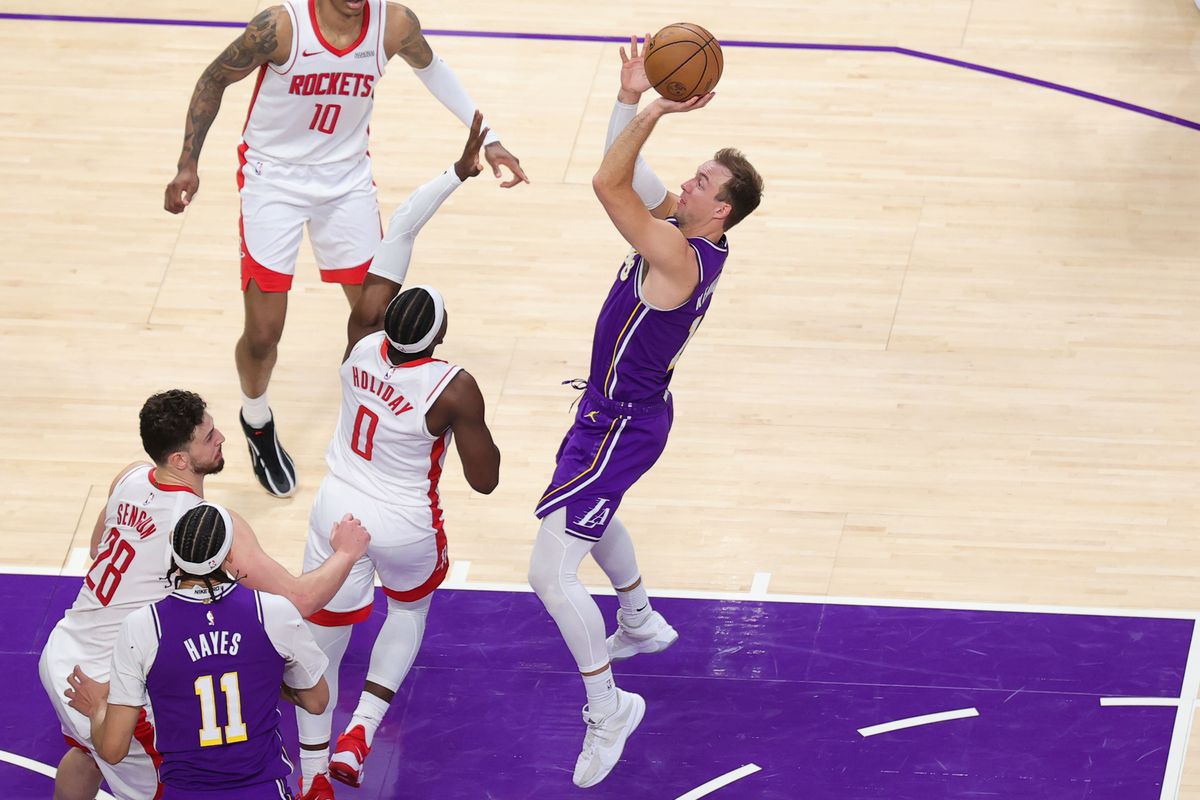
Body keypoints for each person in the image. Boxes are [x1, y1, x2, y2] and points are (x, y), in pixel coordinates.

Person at [163, 0, 527, 499]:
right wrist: (188, 163)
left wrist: (492, 140)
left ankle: (363, 421)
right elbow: (212, 80)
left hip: (346, 181)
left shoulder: (393, 23)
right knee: (264, 334)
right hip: (274, 181)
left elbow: (433, 69)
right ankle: (257, 420)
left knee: (374, 315)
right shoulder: (281, 26)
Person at [527, 35, 764, 788]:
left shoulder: (678, 254)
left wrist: (653, 106)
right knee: (589, 512)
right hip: (620, 411)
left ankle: (608, 707)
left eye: (701, 181)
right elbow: (631, 176)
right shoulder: (689, 236)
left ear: (719, 208)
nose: (686, 185)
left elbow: (607, 182)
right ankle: (638, 620)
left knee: (549, 573)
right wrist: (628, 97)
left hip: (619, 423)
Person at [293, 115, 501, 799]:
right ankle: (364, 727)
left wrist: (453, 173)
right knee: (407, 612)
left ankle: (315, 773)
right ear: (440, 336)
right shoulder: (453, 387)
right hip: (404, 519)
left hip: (336, 505)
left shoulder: (359, 334)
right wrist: (471, 424)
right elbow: (485, 479)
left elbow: (401, 232)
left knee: (324, 630)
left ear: (389, 321)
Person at [39, 390, 371, 800]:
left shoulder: (128, 476)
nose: (223, 438)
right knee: (173, 784)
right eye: (209, 435)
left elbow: (96, 549)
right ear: (180, 459)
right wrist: (347, 552)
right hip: (106, 682)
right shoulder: (208, 526)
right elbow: (300, 600)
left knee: (86, 753)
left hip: (63, 653)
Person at [67, 503, 332, 799]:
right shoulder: (274, 612)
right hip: (263, 790)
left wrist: (97, 710)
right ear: (229, 554)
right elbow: (317, 701)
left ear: (174, 553)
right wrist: (265, 677)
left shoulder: (142, 627)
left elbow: (113, 750)